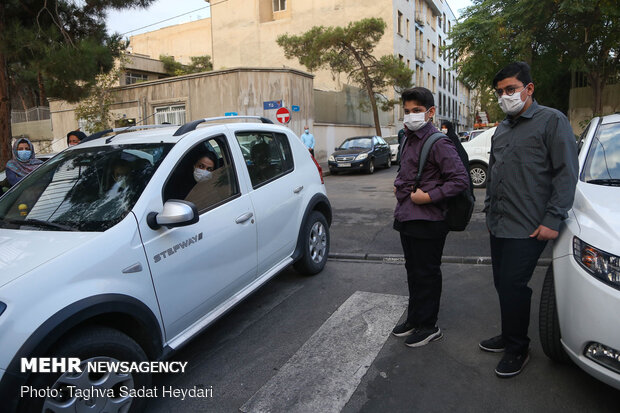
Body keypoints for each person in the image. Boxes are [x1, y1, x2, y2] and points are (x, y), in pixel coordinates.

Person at [480, 62, 578, 378]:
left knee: (513, 285)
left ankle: (518, 348)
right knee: (502, 284)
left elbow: (566, 172)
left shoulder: (552, 121)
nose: (505, 96)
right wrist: (489, 206)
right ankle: (510, 335)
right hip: (500, 222)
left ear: (529, 89)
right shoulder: (503, 128)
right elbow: (495, 169)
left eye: (511, 89)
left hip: (530, 226)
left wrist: (553, 218)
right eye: (500, 92)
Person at [392, 87, 469, 347]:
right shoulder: (407, 138)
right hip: (407, 216)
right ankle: (415, 319)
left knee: (427, 273)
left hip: (429, 219)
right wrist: (397, 184)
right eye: (407, 111)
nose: (411, 116)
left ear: (430, 112)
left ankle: (428, 325)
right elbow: (408, 170)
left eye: (416, 111)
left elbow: (459, 180)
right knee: (413, 271)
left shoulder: (439, 142)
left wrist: (430, 196)